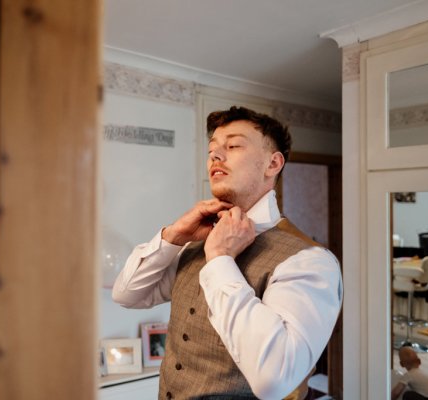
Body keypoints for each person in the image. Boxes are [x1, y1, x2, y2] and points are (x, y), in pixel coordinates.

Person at [112, 106, 343, 400]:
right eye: (212, 150)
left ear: (272, 164)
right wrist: (172, 236)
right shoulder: (195, 240)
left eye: (232, 145)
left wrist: (221, 260)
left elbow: (275, 379)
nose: (215, 156)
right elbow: (126, 294)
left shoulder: (309, 261)